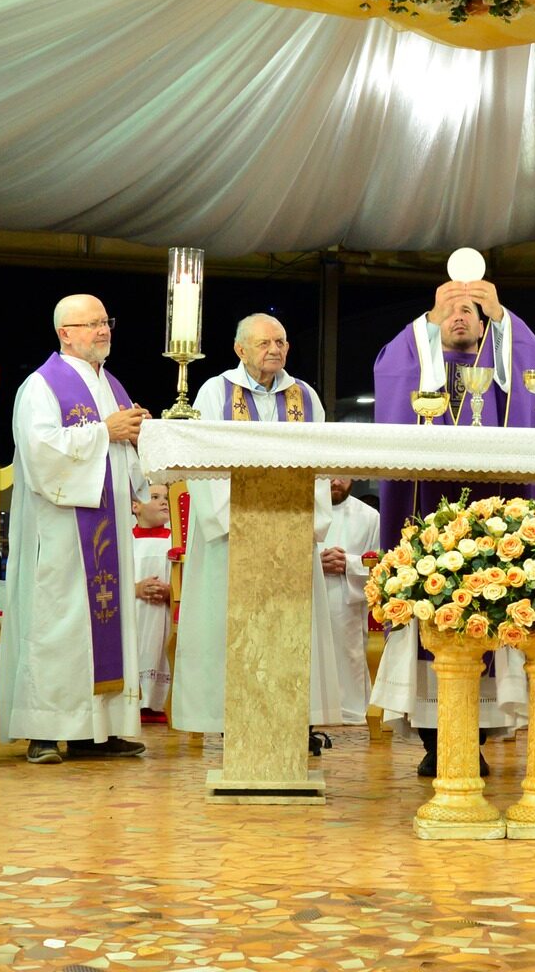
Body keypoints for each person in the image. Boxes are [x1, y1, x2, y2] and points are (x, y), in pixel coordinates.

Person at [369, 278, 535, 776]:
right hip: (425, 505)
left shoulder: (500, 366)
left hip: (495, 507)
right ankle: (434, 739)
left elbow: (534, 373)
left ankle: (478, 738)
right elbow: (391, 370)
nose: (460, 318)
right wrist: (424, 324)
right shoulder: (417, 359)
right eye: (450, 312)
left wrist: (505, 316)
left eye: (470, 310)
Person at [170, 314, 330, 753]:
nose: (275, 350)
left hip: (291, 534)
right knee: (227, 628)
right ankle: (229, 718)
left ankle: (294, 718)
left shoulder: (305, 397)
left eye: (281, 341)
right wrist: (231, 520)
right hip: (230, 539)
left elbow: (318, 462)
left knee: (290, 625)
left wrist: (308, 521)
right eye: (264, 343)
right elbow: (201, 461)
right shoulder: (214, 391)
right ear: (240, 350)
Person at [1, 295, 149, 764]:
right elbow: (41, 451)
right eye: (92, 325)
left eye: (106, 322)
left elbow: (123, 449)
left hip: (106, 529)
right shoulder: (41, 386)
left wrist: (140, 437)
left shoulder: (113, 384)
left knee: (100, 624)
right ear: (65, 332)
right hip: (62, 530)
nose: (103, 331)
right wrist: (107, 430)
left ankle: (96, 731)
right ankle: (44, 731)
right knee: (57, 625)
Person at [313, 476, 379, 735]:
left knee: (347, 647)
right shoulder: (301, 510)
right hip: (308, 592)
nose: (336, 481)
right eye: (329, 475)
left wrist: (348, 563)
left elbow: (381, 565)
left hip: (348, 600)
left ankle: (349, 707)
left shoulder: (370, 516)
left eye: (343, 475)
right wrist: (316, 561)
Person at [130, 484, 174, 723]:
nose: (164, 502)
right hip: (135, 611)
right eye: (154, 497)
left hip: (164, 614)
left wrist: (171, 592)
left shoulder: (175, 541)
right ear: (135, 506)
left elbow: (186, 578)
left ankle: (159, 702)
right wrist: (136, 588)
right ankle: (135, 700)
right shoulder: (124, 540)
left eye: (166, 497)